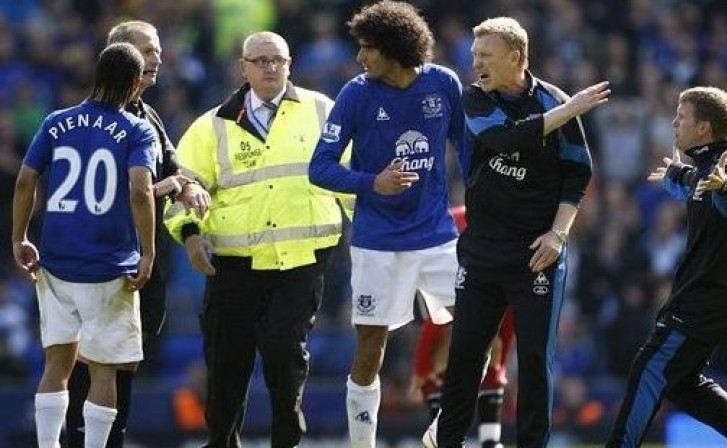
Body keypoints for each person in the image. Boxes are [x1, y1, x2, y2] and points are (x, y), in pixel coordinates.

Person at [423, 17, 610, 448]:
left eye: (485, 56)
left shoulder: (554, 99)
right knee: (465, 356)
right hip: (483, 253)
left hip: (536, 256)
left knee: (534, 362)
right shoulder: (475, 99)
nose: (476, 64)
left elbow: (578, 175)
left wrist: (558, 235)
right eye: (474, 56)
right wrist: (568, 110)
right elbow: (505, 140)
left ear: (515, 58)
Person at [164, 31, 349, 448]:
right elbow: (181, 190)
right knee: (227, 367)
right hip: (233, 263)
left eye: (277, 60)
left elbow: (351, 181)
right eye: (260, 60)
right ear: (242, 67)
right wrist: (191, 236)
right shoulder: (209, 127)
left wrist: (371, 240)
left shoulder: (324, 112)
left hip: (301, 260)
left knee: (286, 359)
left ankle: (287, 440)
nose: (270, 68)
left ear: (290, 64)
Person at [308, 2, 466, 446]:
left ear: (395, 50)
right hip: (378, 242)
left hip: (436, 234)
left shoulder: (444, 84)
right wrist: (371, 183)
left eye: (368, 48)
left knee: (474, 327)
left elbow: (466, 147)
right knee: (370, 345)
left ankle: (447, 426)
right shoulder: (356, 94)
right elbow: (319, 168)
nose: (360, 58)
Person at [601, 87, 727, 448]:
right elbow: (696, 185)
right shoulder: (706, 168)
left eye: (681, 116)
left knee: (648, 369)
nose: (673, 123)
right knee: (682, 383)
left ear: (703, 127)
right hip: (711, 300)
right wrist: (678, 175)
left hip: (704, 301)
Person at [64, 20, 210, 448]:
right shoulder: (97, 120)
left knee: (124, 365)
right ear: (120, 57)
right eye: (147, 51)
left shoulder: (147, 114)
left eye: (158, 51)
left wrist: (188, 182)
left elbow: (172, 167)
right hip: (103, 262)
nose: (157, 59)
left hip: (142, 264)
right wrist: (171, 186)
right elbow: (127, 193)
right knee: (90, 366)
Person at [11, 42, 157, 448]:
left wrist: (19, 237)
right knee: (104, 368)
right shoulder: (136, 129)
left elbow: (25, 180)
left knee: (57, 361)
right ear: (133, 83)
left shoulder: (56, 121)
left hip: (55, 262)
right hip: (109, 266)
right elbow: (141, 191)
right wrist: (148, 252)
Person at [411, 206, 515, 448]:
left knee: (484, 351)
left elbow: (508, 327)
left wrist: (499, 367)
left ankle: (489, 440)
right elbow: (436, 323)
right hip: (437, 248)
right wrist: (421, 368)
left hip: (482, 254)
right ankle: (439, 432)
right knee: (447, 357)